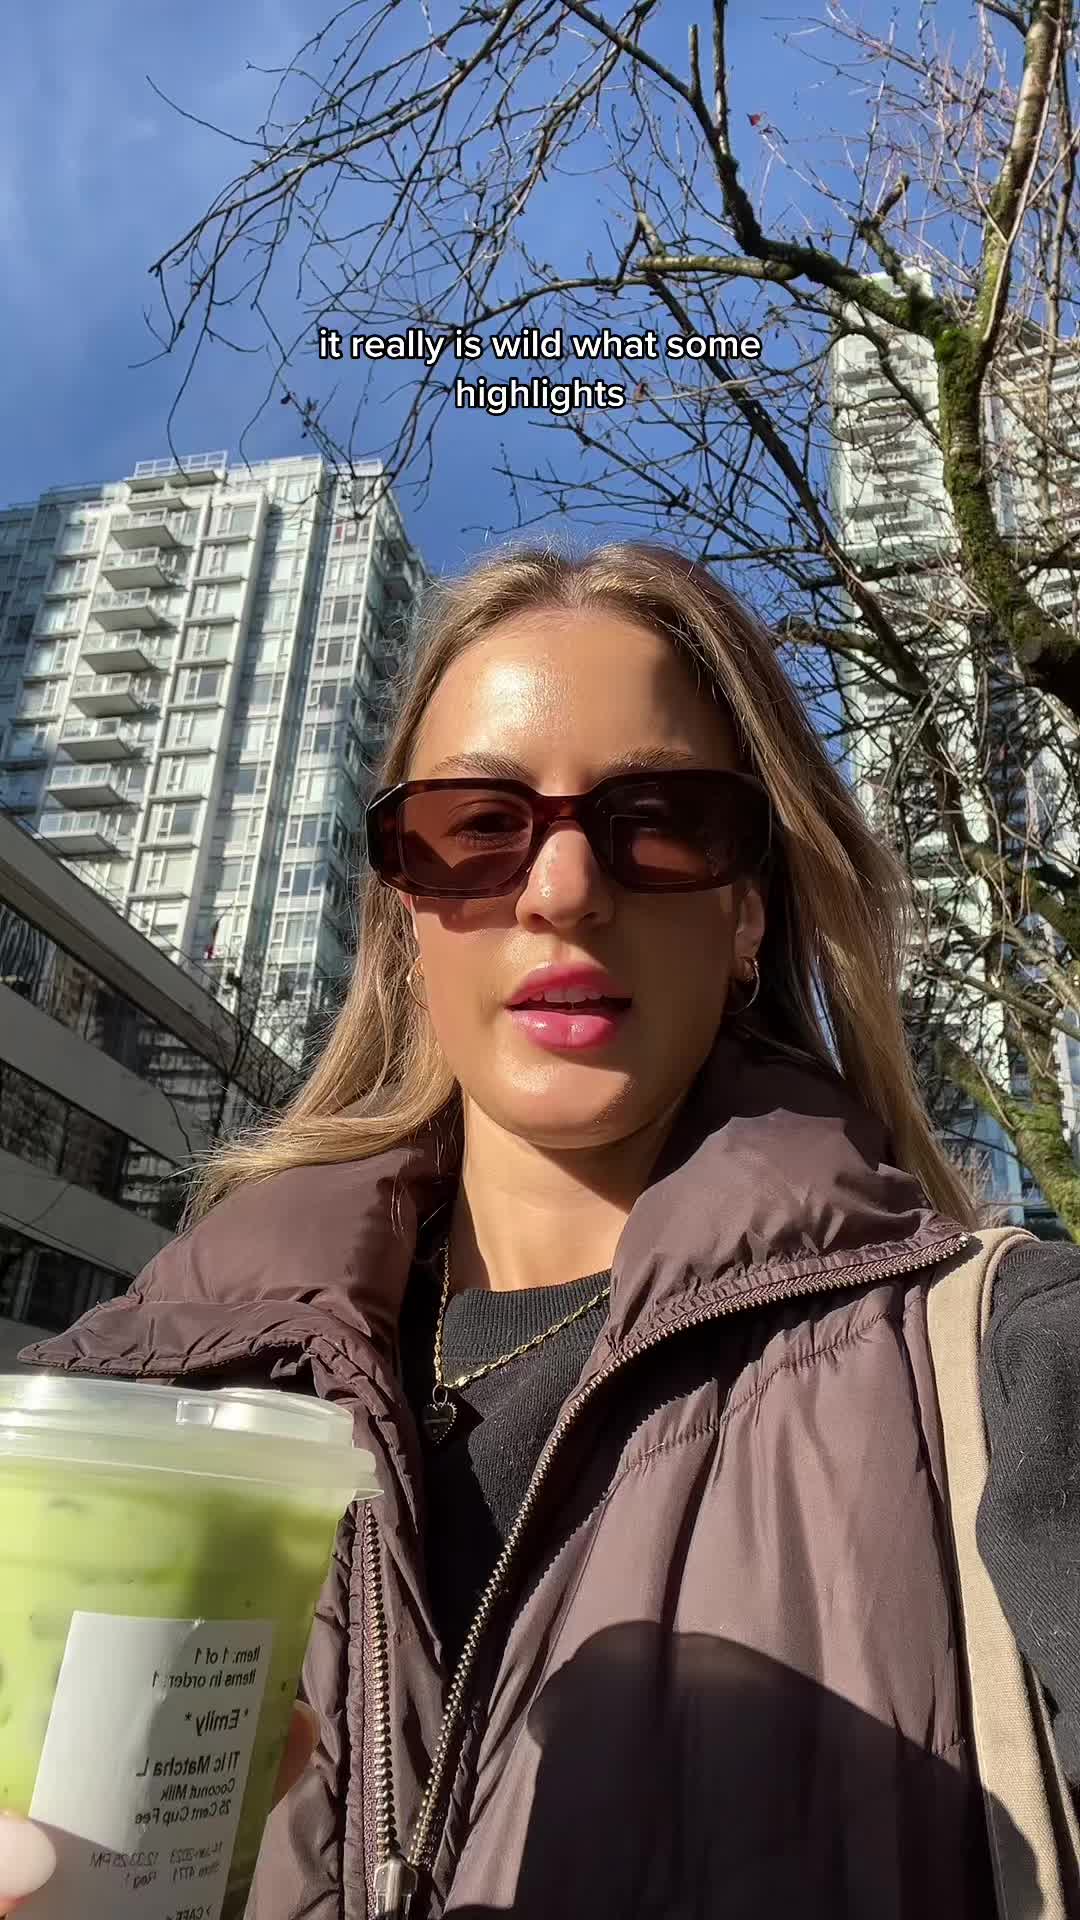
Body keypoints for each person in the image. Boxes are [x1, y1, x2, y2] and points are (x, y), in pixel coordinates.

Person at [7, 540, 1080, 1920]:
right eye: (474, 827)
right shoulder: (118, 1400)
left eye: (663, 819)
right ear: (405, 919)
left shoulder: (1011, 1374)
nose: (563, 892)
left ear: (748, 918)